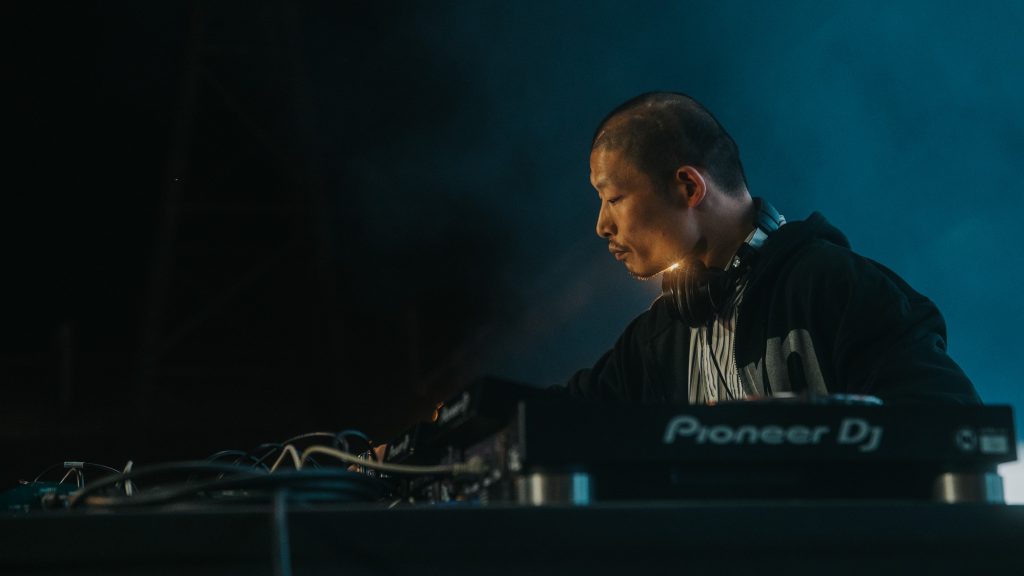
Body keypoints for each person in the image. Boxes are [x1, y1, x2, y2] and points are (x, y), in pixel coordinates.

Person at [565, 92, 980, 405]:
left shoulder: (837, 290)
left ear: (689, 187)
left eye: (614, 198)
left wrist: (804, 431)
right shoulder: (657, 338)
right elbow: (560, 419)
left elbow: (948, 424)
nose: (602, 225)